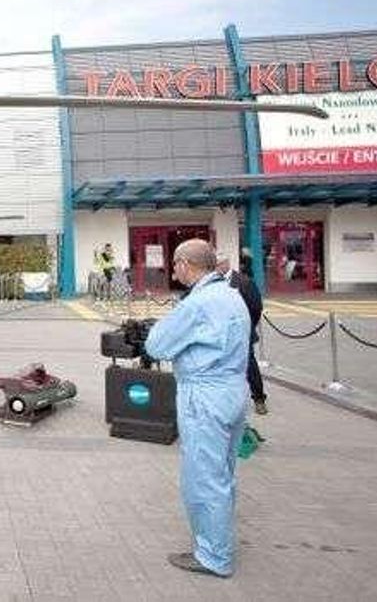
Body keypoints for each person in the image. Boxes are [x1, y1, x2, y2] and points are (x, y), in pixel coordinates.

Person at [144, 239, 250, 579]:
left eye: (175, 265)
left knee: (203, 478)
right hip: (234, 390)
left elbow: (157, 345)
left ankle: (213, 556)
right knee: (222, 473)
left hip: (204, 395)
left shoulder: (199, 302)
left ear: (186, 264)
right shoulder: (233, 296)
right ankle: (217, 544)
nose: (173, 271)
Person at [217, 253, 268, 415]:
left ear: (226, 264)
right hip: (219, 335)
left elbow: (256, 307)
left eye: (217, 264)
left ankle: (259, 399)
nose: (215, 268)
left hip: (241, 334)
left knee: (249, 366)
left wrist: (246, 326)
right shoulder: (211, 283)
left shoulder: (244, 282)